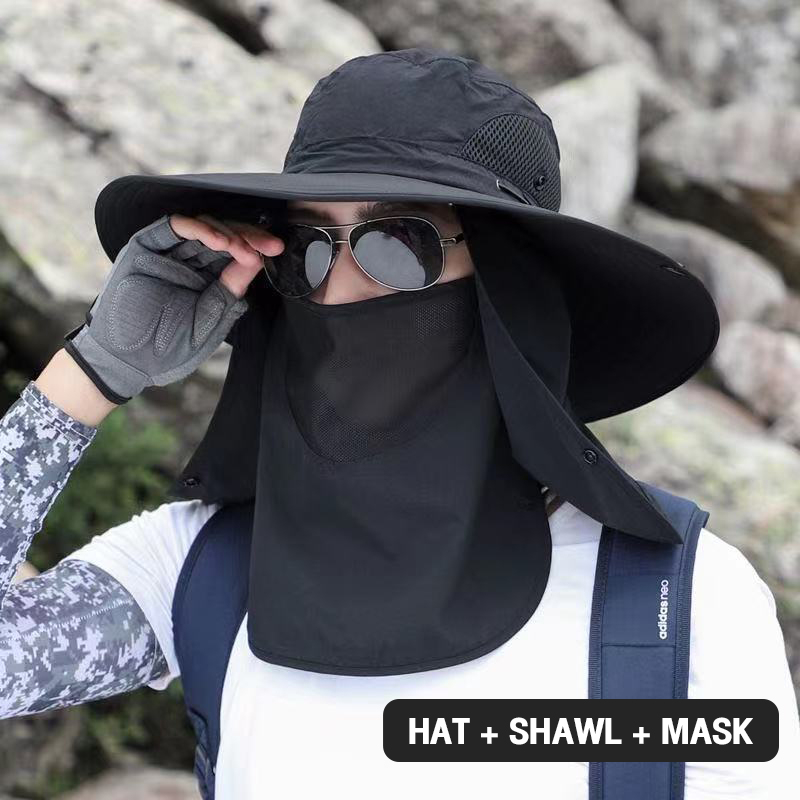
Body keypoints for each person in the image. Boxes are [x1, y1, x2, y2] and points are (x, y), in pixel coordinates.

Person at [2, 47, 799, 800]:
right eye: (306, 248)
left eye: (398, 243)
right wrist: (94, 370)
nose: (339, 290)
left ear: (509, 286)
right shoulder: (202, 567)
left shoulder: (675, 602)